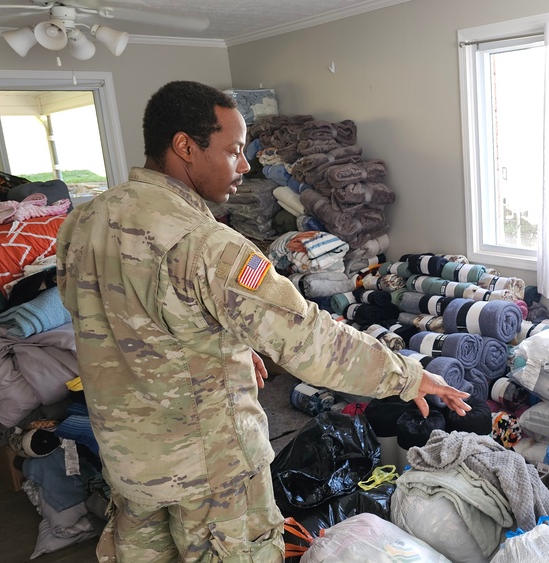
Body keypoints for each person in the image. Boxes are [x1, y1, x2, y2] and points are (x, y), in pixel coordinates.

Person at [55, 80, 471, 562]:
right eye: (233, 150)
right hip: (210, 472)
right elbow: (311, 340)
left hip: (130, 461)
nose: (246, 164)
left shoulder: (84, 221)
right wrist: (408, 376)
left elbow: (105, 316)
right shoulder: (208, 245)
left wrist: (227, 336)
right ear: (185, 147)